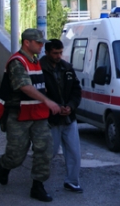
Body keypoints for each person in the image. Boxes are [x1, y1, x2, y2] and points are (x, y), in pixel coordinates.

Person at [0, 28, 61, 202]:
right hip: (19, 116)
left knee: (44, 150)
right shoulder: (17, 61)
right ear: (27, 43)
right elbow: (24, 86)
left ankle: (38, 186)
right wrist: (47, 101)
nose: (41, 46)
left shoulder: (35, 60)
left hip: (38, 115)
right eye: (38, 43)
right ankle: (5, 165)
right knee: (16, 156)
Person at [39, 39, 83, 194]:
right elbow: (38, 95)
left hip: (68, 117)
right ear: (47, 53)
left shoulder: (67, 68)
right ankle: (38, 183)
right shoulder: (39, 69)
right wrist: (55, 107)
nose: (58, 56)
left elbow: (76, 91)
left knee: (74, 152)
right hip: (50, 119)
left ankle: (72, 181)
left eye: (60, 52)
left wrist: (70, 106)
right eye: (55, 53)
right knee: (48, 153)